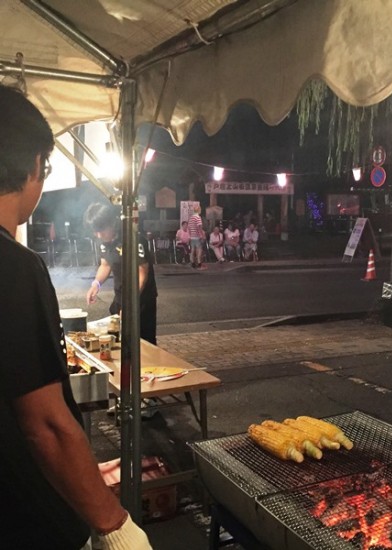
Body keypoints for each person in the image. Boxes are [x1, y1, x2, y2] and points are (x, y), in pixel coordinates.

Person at [0, 86, 152, 549]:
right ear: (33, 168)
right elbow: (43, 424)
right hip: (24, 520)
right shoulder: (14, 267)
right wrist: (115, 526)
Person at [85, 203, 158, 345]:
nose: (98, 235)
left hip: (141, 300)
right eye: (95, 231)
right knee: (119, 341)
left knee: (143, 343)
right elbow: (105, 264)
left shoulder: (133, 239)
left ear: (112, 223)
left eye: (101, 230)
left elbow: (141, 273)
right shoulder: (104, 242)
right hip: (120, 298)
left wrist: (130, 304)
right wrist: (96, 284)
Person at [188, 205, 206, 269]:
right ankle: (199, 264)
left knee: (192, 250)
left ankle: (192, 263)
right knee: (199, 250)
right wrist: (202, 235)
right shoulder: (198, 217)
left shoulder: (191, 218)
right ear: (198, 210)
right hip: (197, 237)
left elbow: (189, 228)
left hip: (192, 237)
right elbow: (199, 227)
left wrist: (189, 236)